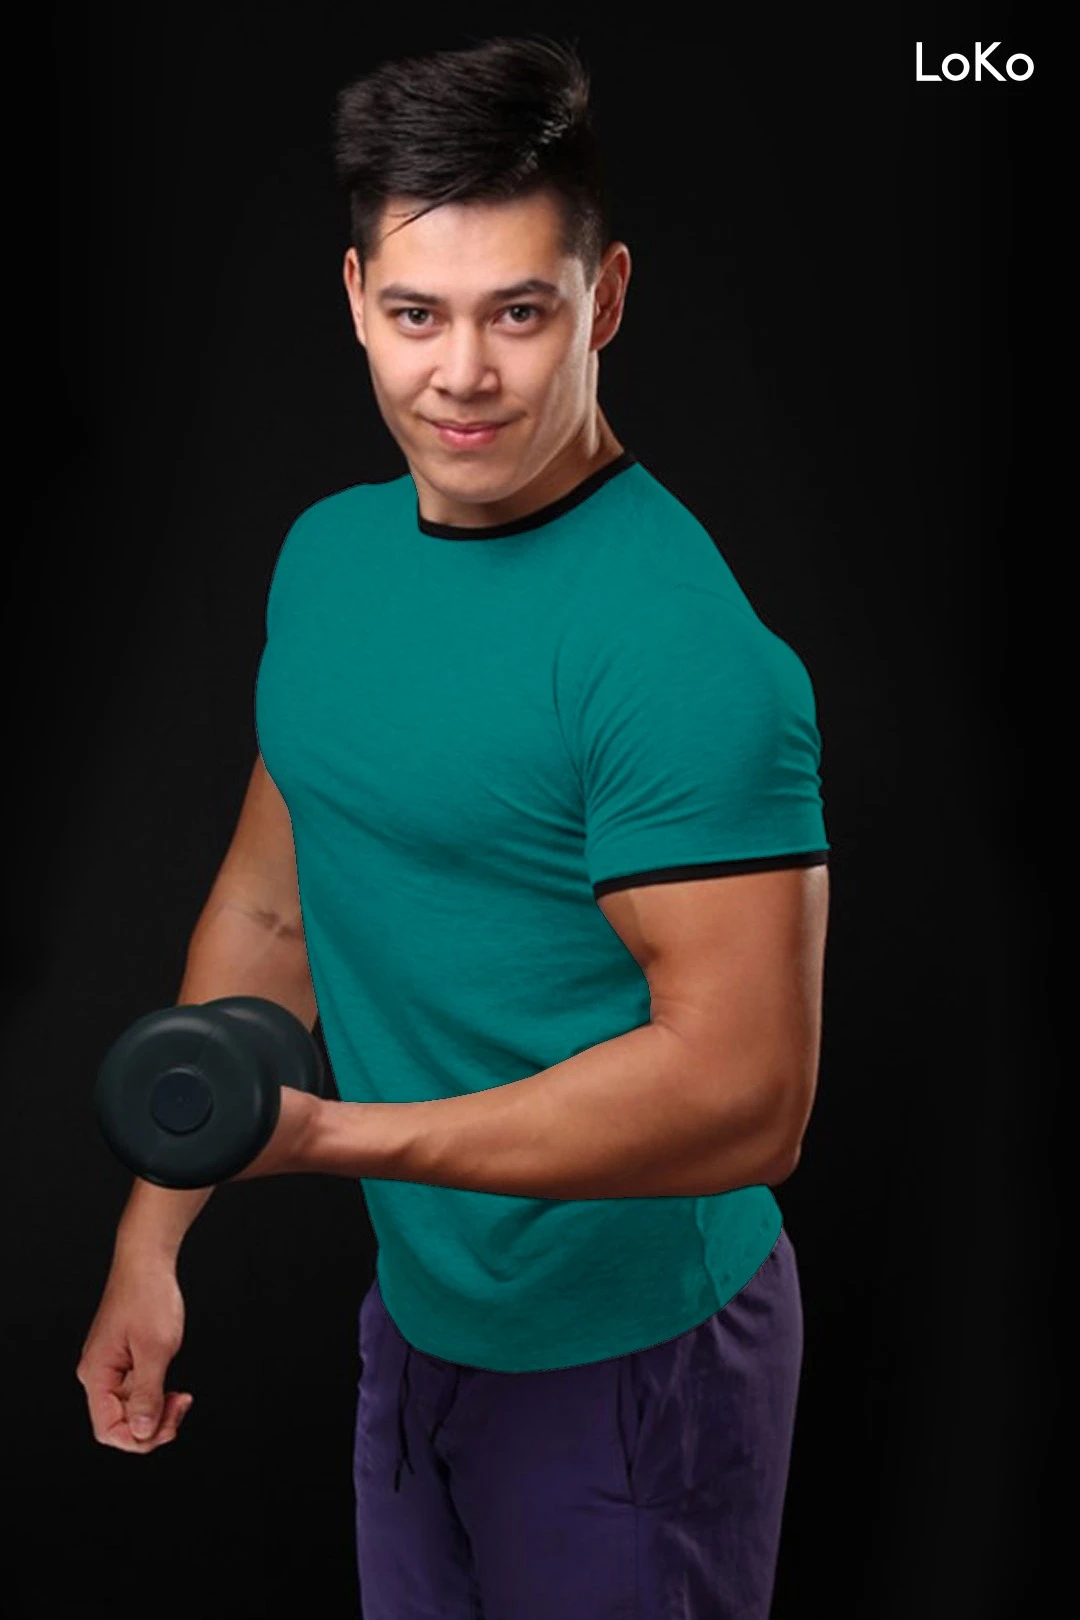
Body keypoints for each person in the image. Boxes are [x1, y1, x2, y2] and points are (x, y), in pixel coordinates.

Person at [77, 33, 830, 1620]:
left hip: (639, 1365)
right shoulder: (330, 559)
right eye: (419, 313)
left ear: (603, 300)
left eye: (518, 312)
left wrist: (331, 1140)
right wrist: (153, 1239)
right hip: (421, 1330)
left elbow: (747, 1097)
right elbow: (275, 910)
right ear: (357, 298)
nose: (463, 374)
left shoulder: (678, 651)